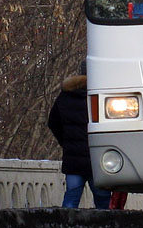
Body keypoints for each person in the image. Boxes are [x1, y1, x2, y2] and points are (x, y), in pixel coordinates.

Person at [47, 68, 111, 210]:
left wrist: (66, 142)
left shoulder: (65, 96)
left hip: (73, 159)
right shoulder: (101, 95)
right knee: (103, 199)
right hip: (97, 159)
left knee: (71, 198)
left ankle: (65, 226)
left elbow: (52, 122)